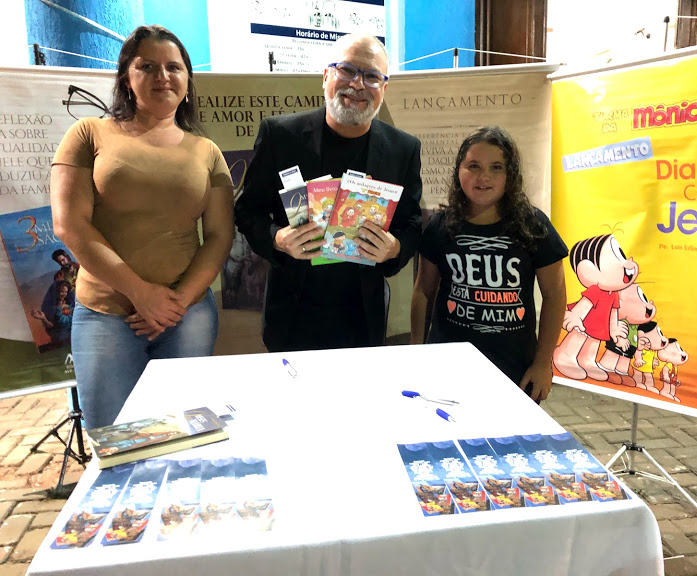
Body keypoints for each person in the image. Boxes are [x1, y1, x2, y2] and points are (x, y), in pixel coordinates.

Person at [50, 25, 234, 429]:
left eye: (174, 67)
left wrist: (176, 302)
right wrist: (141, 294)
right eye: (147, 66)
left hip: (186, 317)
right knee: (114, 439)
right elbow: (69, 224)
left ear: (187, 80)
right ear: (126, 77)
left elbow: (221, 237)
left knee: (185, 436)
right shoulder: (88, 134)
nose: (162, 77)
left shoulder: (207, 151)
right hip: (106, 316)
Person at [234, 33, 422, 352]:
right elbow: (247, 210)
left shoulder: (403, 149)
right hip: (292, 315)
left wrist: (394, 248)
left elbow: (412, 223)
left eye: (372, 76)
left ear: (384, 88)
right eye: (347, 70)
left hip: (362, 318)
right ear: (326, 76)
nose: (358, 84)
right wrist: (277, 238)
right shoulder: (280, 136)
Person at [410, 126, 567, 403]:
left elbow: (555, 296)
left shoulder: (533, 225)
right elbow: (423, 291)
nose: (484, 177)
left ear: (511, 176)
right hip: (447, 364)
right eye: (474, 166)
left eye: (496, 167)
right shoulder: (440, 225)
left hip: (514, 368)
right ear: (459, 171)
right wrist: (415, 353)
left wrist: (544, 364)